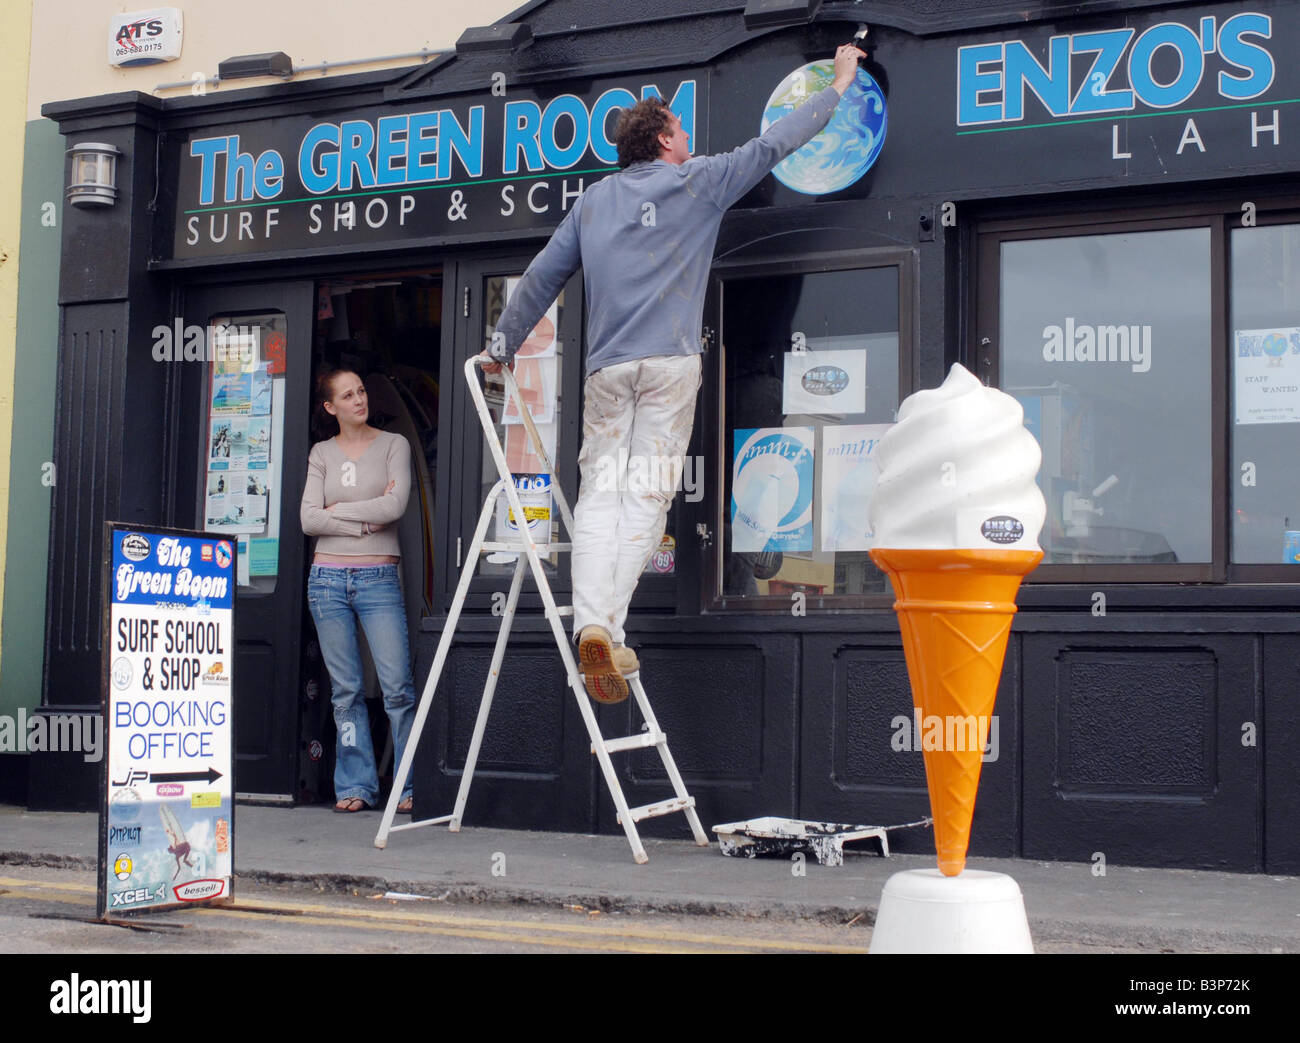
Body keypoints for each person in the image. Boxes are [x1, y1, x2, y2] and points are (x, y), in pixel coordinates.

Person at [485, 45, 865, 703]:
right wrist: (838, 84)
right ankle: (605, 624)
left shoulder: (594, 203)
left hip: (607, 370)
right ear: (663, 139)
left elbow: (544, 274)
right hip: (668, 369)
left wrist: (502, 342)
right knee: (645, 499)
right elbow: (778, 142)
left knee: (602, 495)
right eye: (681, 130)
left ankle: (593, 624)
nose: (689, 138)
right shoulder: (703, 180)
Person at [300, 368, 416, 813]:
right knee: (345, 691)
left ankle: (406, 786)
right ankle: (356, 786)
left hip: (379, 578)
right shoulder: (321, 453)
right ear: (331, 408)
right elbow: (308, 520)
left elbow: (396, 505)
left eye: (361, 391)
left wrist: (343, 511)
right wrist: (368, 521)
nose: (359, 399)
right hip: (326, 580)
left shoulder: (394, 445)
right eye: (347, 396)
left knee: (397, 688)